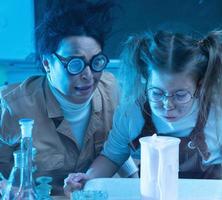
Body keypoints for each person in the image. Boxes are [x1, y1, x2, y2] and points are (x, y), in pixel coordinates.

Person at [64, 30, 222, 199]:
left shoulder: (219, 111)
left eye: (180, 95)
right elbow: (111, 156)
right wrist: (87, 180)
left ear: (199, 87)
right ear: (146, 81)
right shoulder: (132, 112)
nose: (167, 105)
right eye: (156, 93)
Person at [0, 1, 137, 196]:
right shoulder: (9, 106)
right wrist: (8, 189)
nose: (89, 75)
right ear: (47, 63)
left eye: (96, 61)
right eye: (75, 64)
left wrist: (137, 180)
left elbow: (115, 147)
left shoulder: (112, 89)